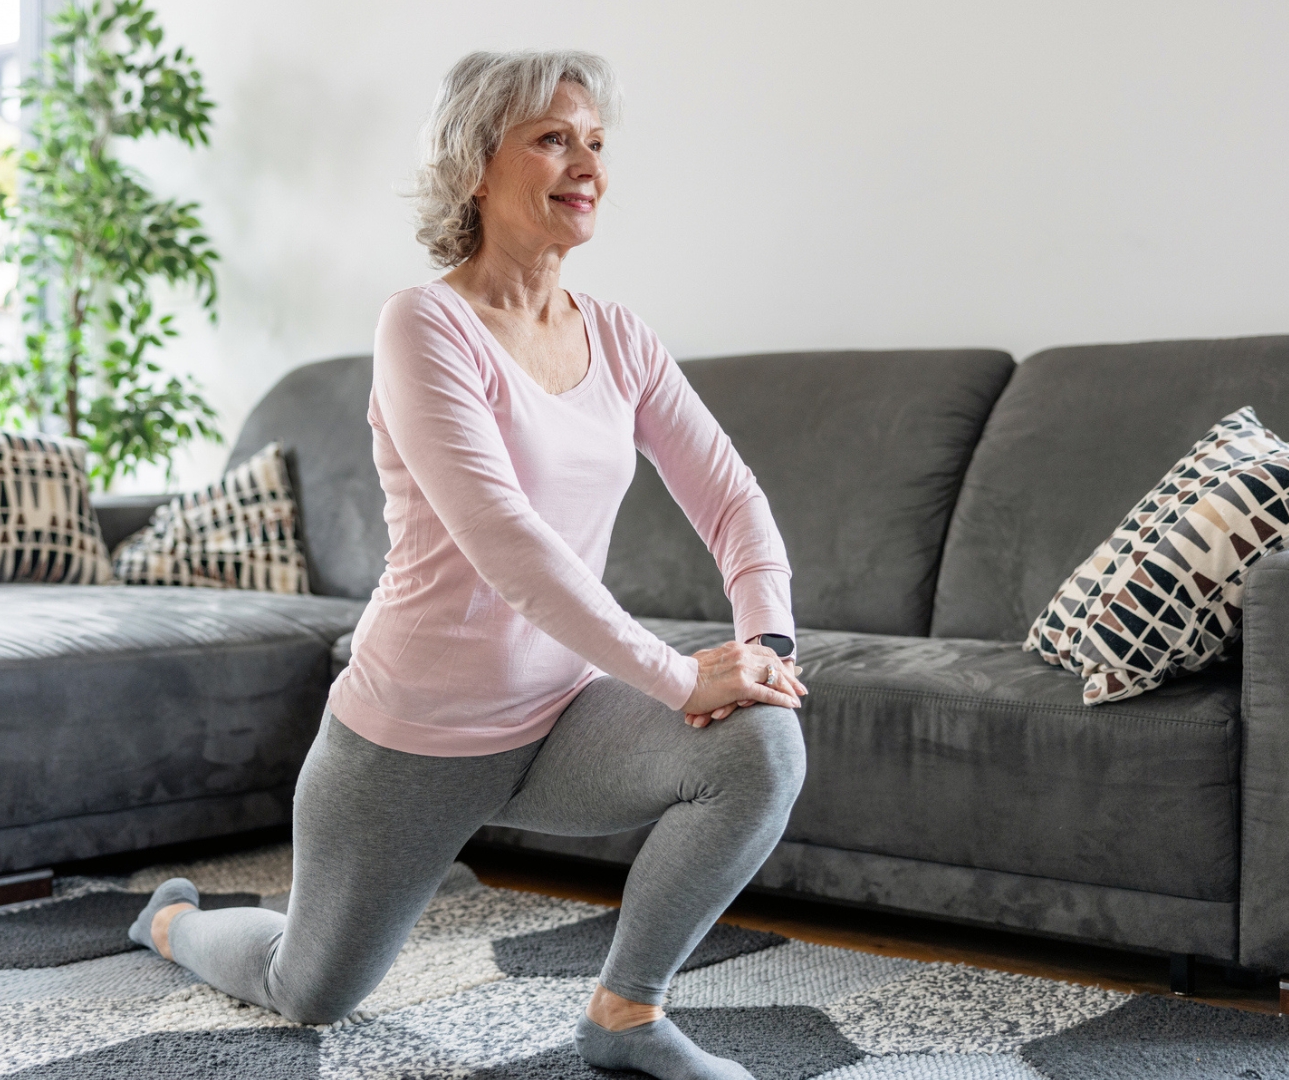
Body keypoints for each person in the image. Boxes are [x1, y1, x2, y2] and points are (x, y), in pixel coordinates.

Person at [128, 49, 809, 1080]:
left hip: (564, 718)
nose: (586, 163)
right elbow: (505, 542)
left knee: (761, 746)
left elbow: (732, 497)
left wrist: (765, 644)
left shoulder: (619, 338)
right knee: (309, 990)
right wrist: (676, 674)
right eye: (552, 138)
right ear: (474, 167)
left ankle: (626, 1016)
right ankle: (174, 926)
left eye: (595, 141)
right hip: (411, 739)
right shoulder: (426, 324)